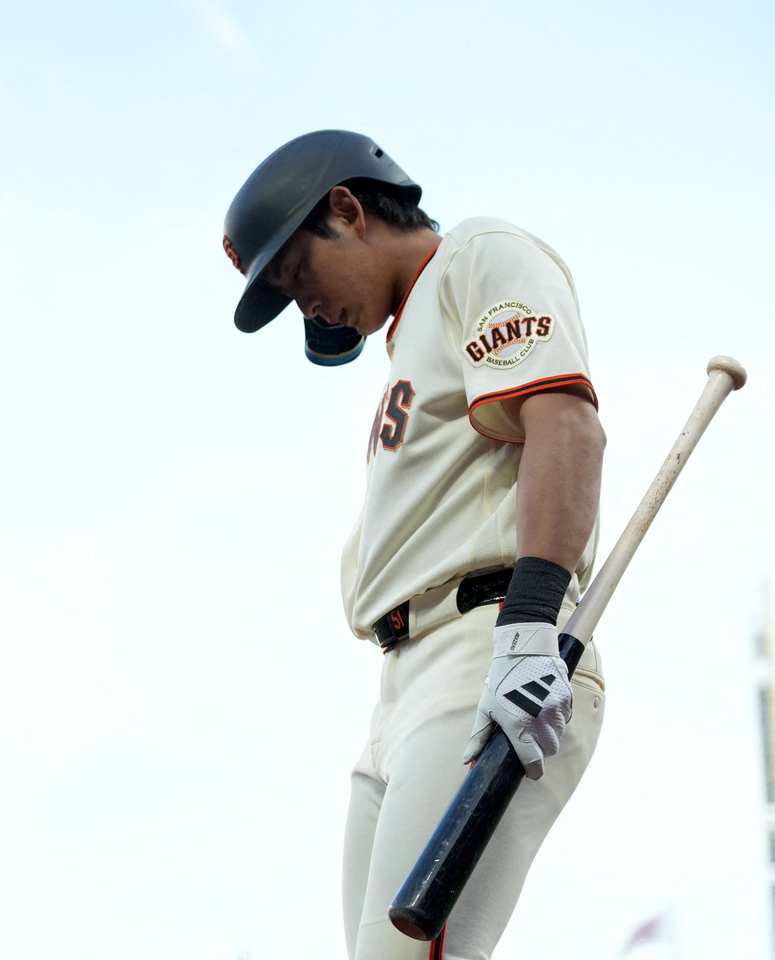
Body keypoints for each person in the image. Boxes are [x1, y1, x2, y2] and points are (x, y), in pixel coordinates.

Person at [222, 130, 607, 960]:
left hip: (489, 641)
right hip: (401, 688)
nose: (308, 309)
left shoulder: (477, 252)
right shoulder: (408, 342)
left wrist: (531, 625)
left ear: (348, 209)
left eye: (298, 276)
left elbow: (565, 425)